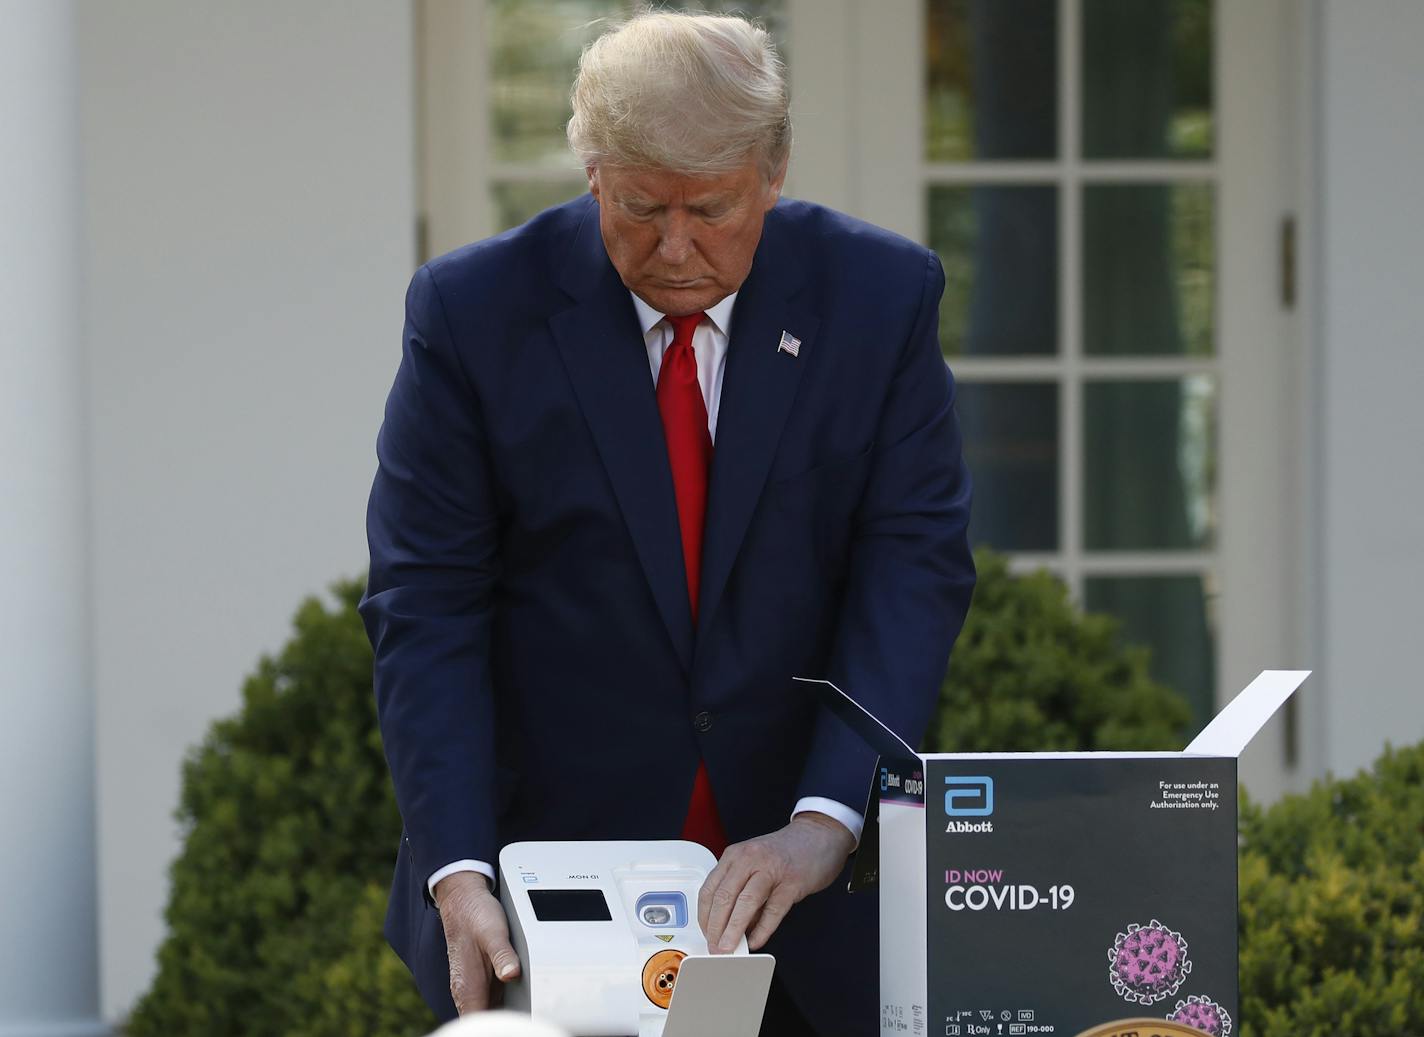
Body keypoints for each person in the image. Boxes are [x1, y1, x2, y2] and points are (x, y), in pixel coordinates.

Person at [359, 11, 974, 1036]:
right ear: (592, 171)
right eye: (641, 207)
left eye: (712, 207)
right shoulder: (473, 312)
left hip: (799, 886)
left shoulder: (878, 297)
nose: (676, 246)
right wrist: (456, 868)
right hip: (547, 893)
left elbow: (908, 567)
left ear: (771, 173)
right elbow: (428, 602)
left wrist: (826, 818)